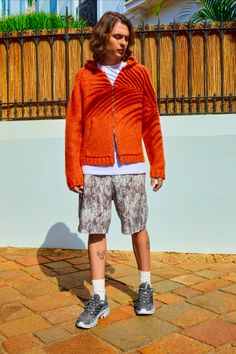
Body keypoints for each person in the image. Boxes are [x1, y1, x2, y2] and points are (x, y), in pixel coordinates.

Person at [65, 11, 165, 329]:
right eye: (118, 36)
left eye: (126, 37)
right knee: (96, 230)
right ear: (103, 36)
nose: (124, 42)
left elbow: (151, 120)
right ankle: (99, 298)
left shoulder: (139, 74)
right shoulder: (84, 77)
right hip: (93, 167)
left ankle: (145, 286)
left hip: (132, 165)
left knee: (138, 226)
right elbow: (74, 125)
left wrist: (158, 163)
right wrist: (73, 170)